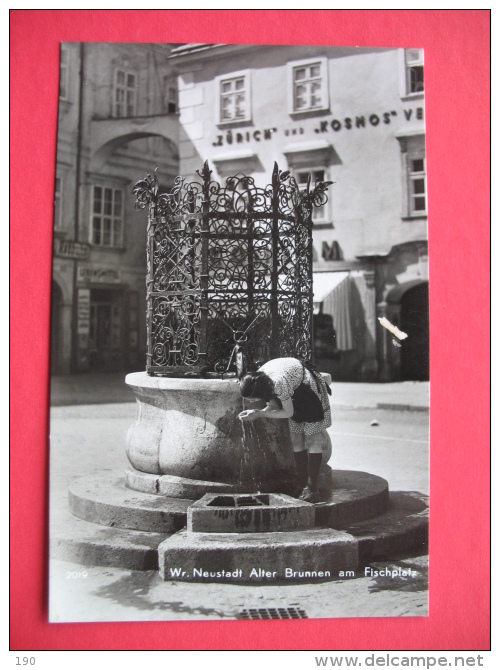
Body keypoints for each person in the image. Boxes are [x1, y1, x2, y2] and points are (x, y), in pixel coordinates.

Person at [238, 357, 332, 503]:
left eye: (250, 398)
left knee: (312, 439)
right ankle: (301, 485)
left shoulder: (277, 383)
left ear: (258, 392)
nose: (249, 401)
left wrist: (259, 413)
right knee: (296, 438)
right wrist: (256, 412)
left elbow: (288, 413)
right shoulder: (258, 380)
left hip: (308, 390)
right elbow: (274, 407)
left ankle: (313, 489)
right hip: (293, 390)